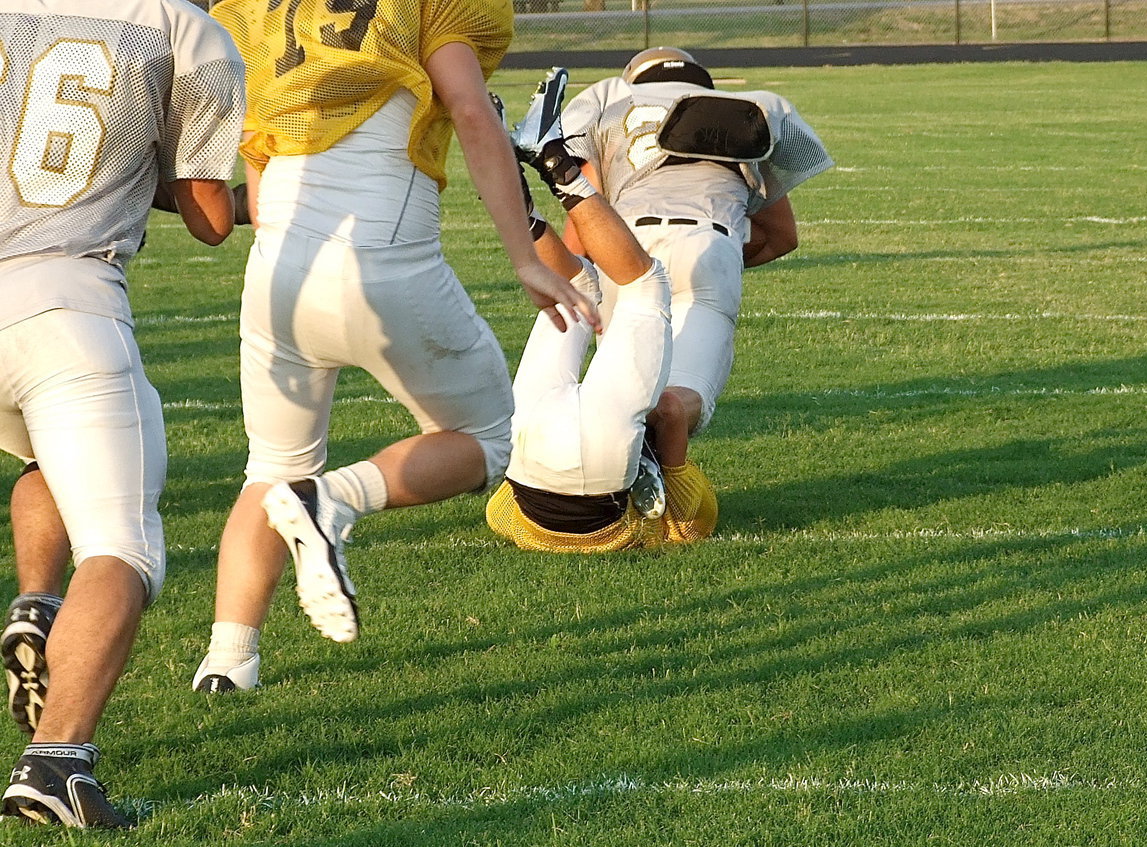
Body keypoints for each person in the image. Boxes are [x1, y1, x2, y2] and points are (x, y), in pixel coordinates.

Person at [193, 0, 598, 692]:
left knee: (270, 464)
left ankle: (227, 662)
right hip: (383, 254)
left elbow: (256, 163)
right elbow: (472, 112)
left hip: (277, 267)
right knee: (488, 435)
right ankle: (332, 499)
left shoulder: (254, 9)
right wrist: (526, 257)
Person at [0, 0, 245, 828]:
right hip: (66, 302)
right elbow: (208, 210)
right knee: (123, 544)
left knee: (48, 462)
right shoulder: (181, 26)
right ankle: (57, 761)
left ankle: (36, 602)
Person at [485, 70, 717, 553]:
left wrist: (659, 458)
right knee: (601, 287)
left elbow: (687, 519)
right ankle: (548, 166)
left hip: (596, 458)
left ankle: (548, 171)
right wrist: (660, 457)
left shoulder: (625, 517)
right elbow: (690, 519)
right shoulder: (513, 517)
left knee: (614, 287)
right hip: (524, 446)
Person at [559, 47, 834, 437]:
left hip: (625, 246)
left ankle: (610, 484)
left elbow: (585, 223)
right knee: (679, 401)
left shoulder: (610, 104)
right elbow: (782, 237)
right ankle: (668, 483)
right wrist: (720, 260)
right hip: (709, 241)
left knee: (623, 399)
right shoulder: (742, 115)